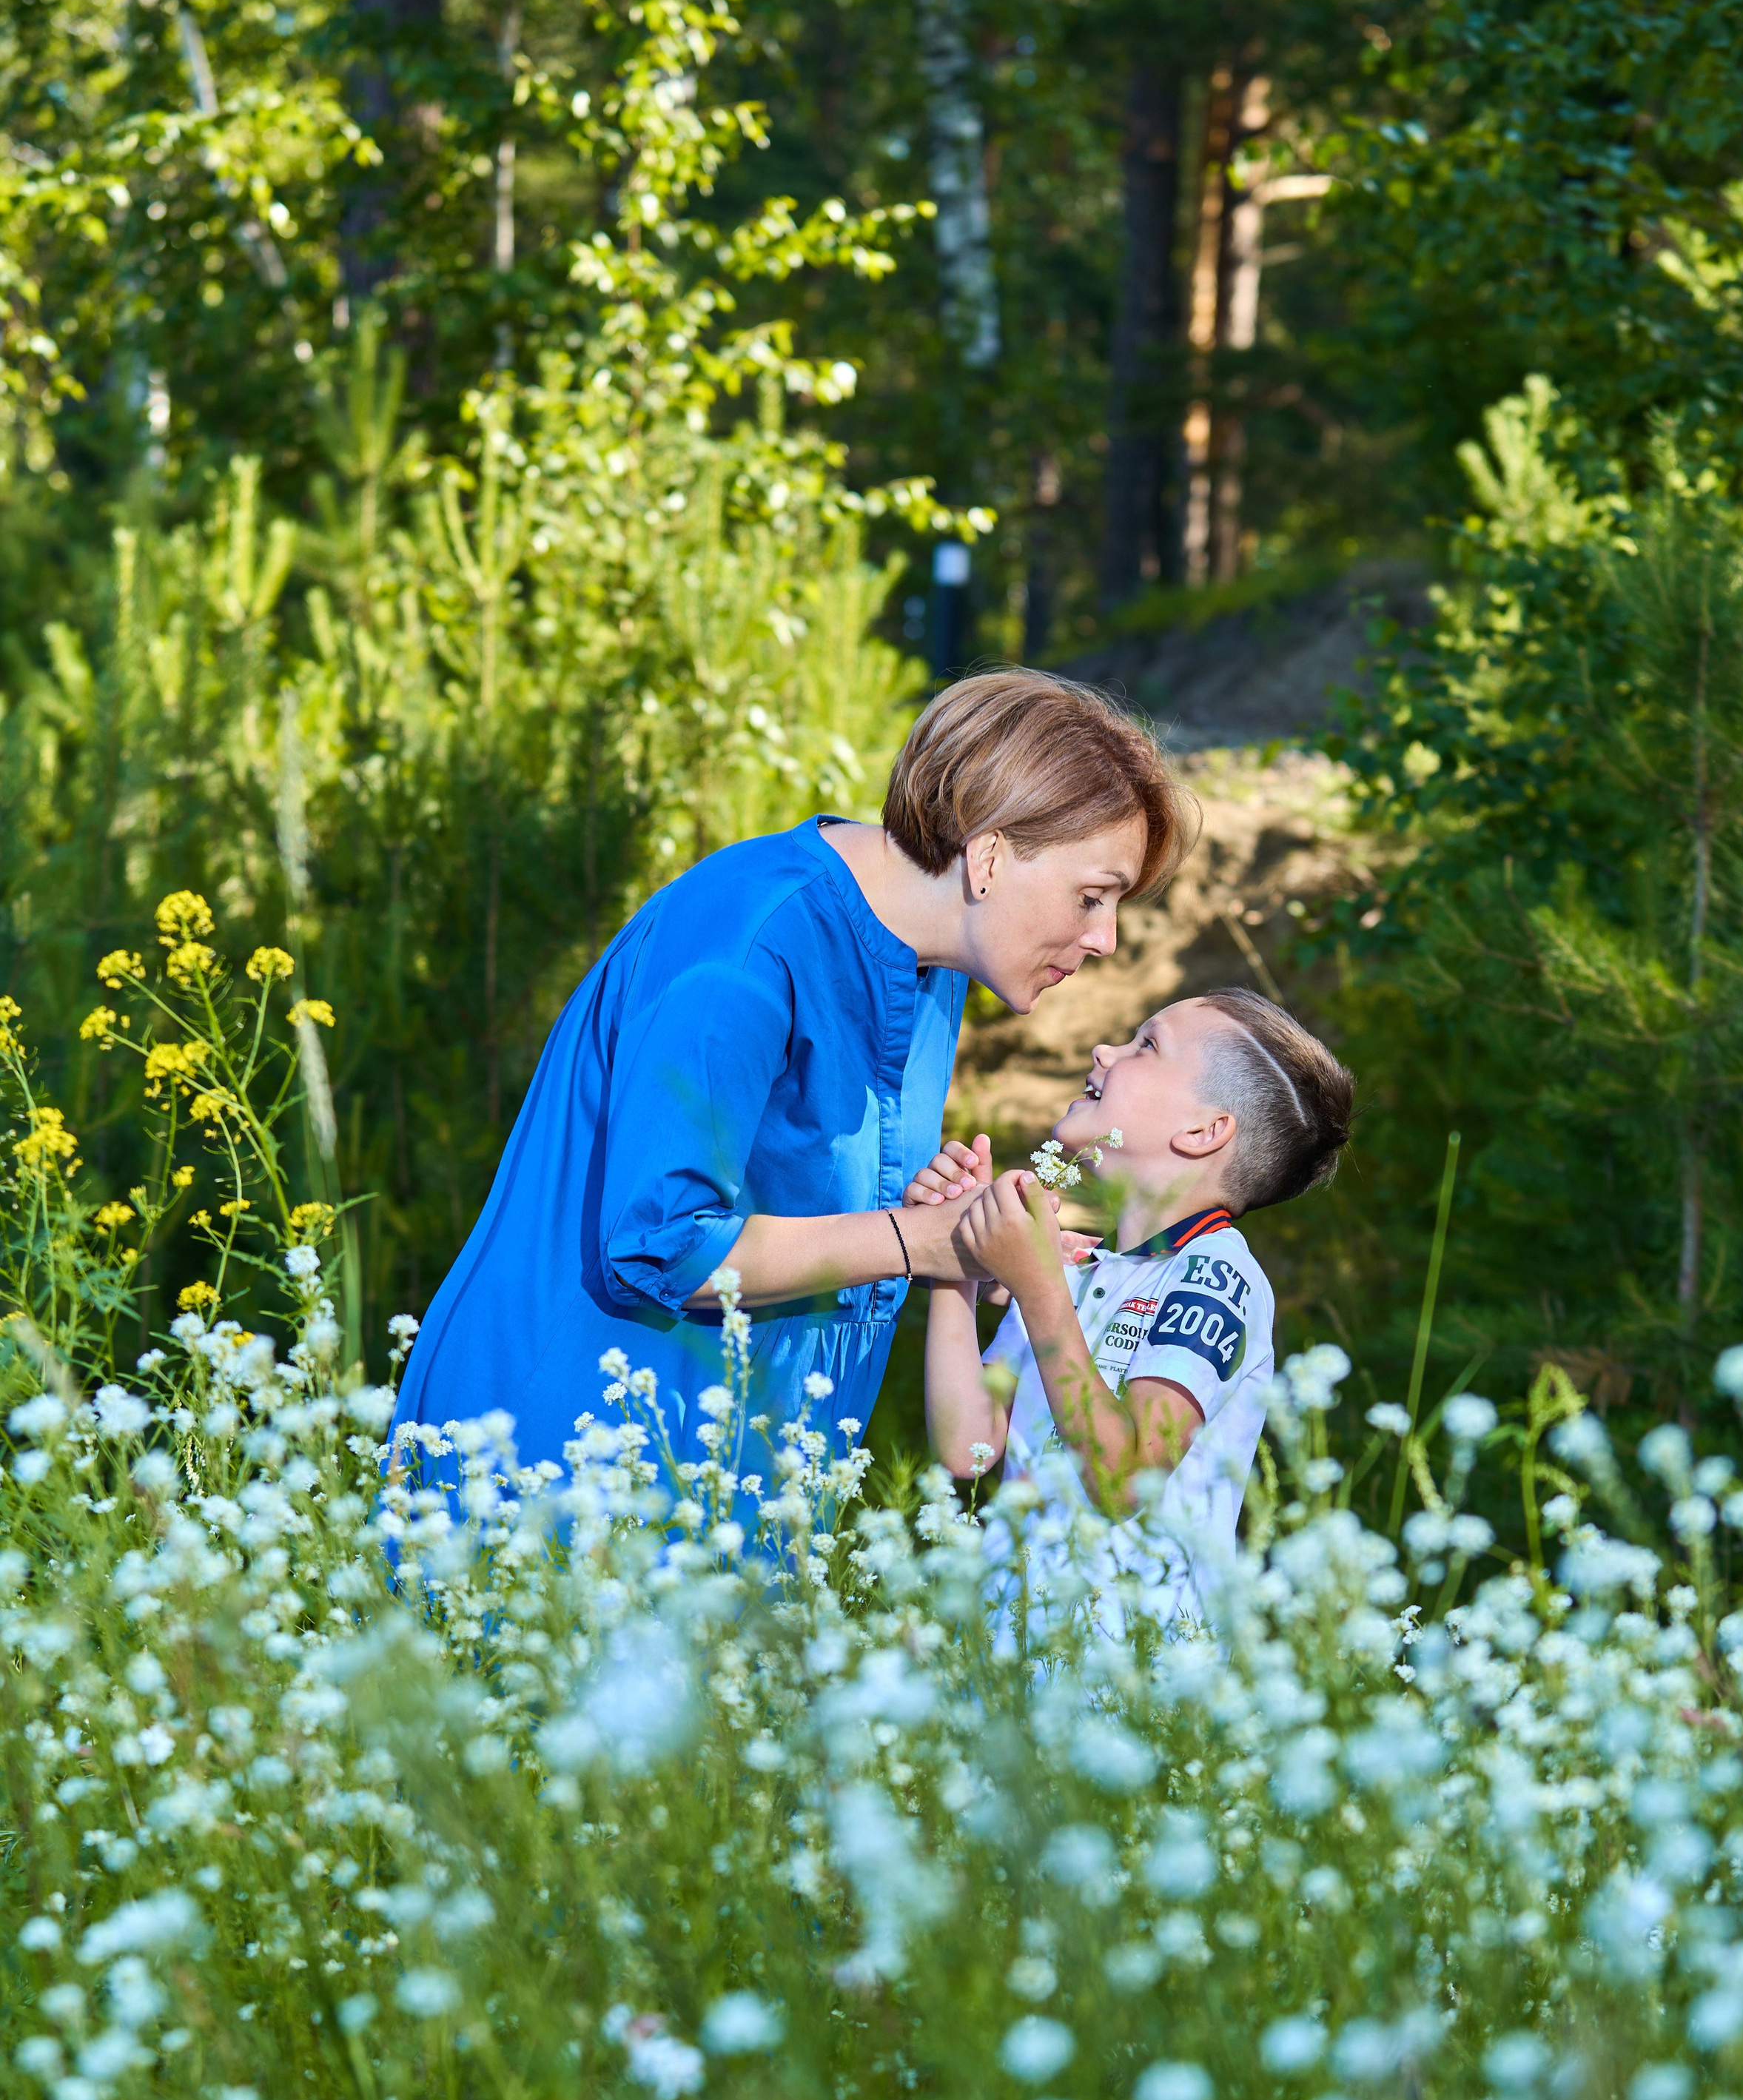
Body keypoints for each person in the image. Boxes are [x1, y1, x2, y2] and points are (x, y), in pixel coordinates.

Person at [391, 670, 1193, 1496]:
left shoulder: (939, 954)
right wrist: (928, 1239)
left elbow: (826, 1211)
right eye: (1092, 897)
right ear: (988, 856)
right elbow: (660, 1245)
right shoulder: (745, 945)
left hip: (740, 1478)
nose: (1106, 939)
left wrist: (966, 1236)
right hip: (558, 1466)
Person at [917, 990, 1354, 1625]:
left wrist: (1037, 1285)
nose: (1105, 1050)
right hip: (1016, 1658)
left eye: (1146, 1045)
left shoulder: (1217, 1277)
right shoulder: (1077, 1272)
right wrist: (956, 1259)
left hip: (1134, 1668)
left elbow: (1125, 1480)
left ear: (1202, 1132)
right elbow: (969, 1449)